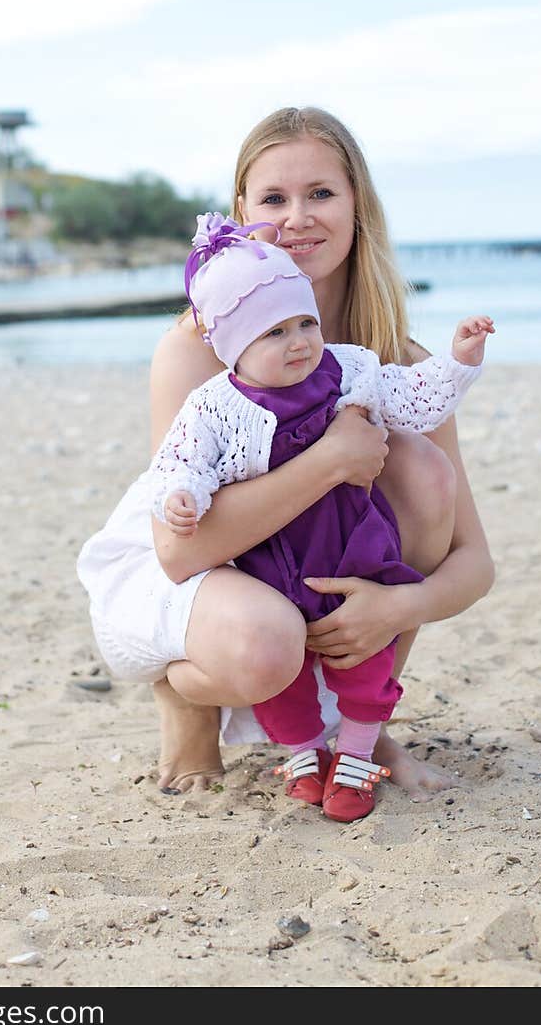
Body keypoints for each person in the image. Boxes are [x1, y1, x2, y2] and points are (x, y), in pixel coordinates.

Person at [77, 107, 496, 801]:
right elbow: (181, 553)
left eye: (321, 194)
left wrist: (396, 609)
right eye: (274, 198)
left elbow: (472, 559)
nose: (298, 217)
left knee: (421, 469)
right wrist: (331, 461)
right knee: (267, 645)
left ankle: (366, 719)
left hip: (315, 562)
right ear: (243, 213)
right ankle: (185, 696)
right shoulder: (196, 350)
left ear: (358, 205)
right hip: (194, 565)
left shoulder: (390, 359)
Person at [144, 213, 492, 821]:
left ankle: (357, 757)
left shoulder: (350, 369)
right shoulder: (217, 402)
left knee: (366, 665)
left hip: (350, 548)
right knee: (287, 678)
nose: (300, 341)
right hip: (265, 562)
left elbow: (413, 397)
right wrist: (185, 495)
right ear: (234, 347)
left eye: (306, 322)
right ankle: (303, 755)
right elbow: (184, 462)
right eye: (276, 332)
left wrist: (458, 362)